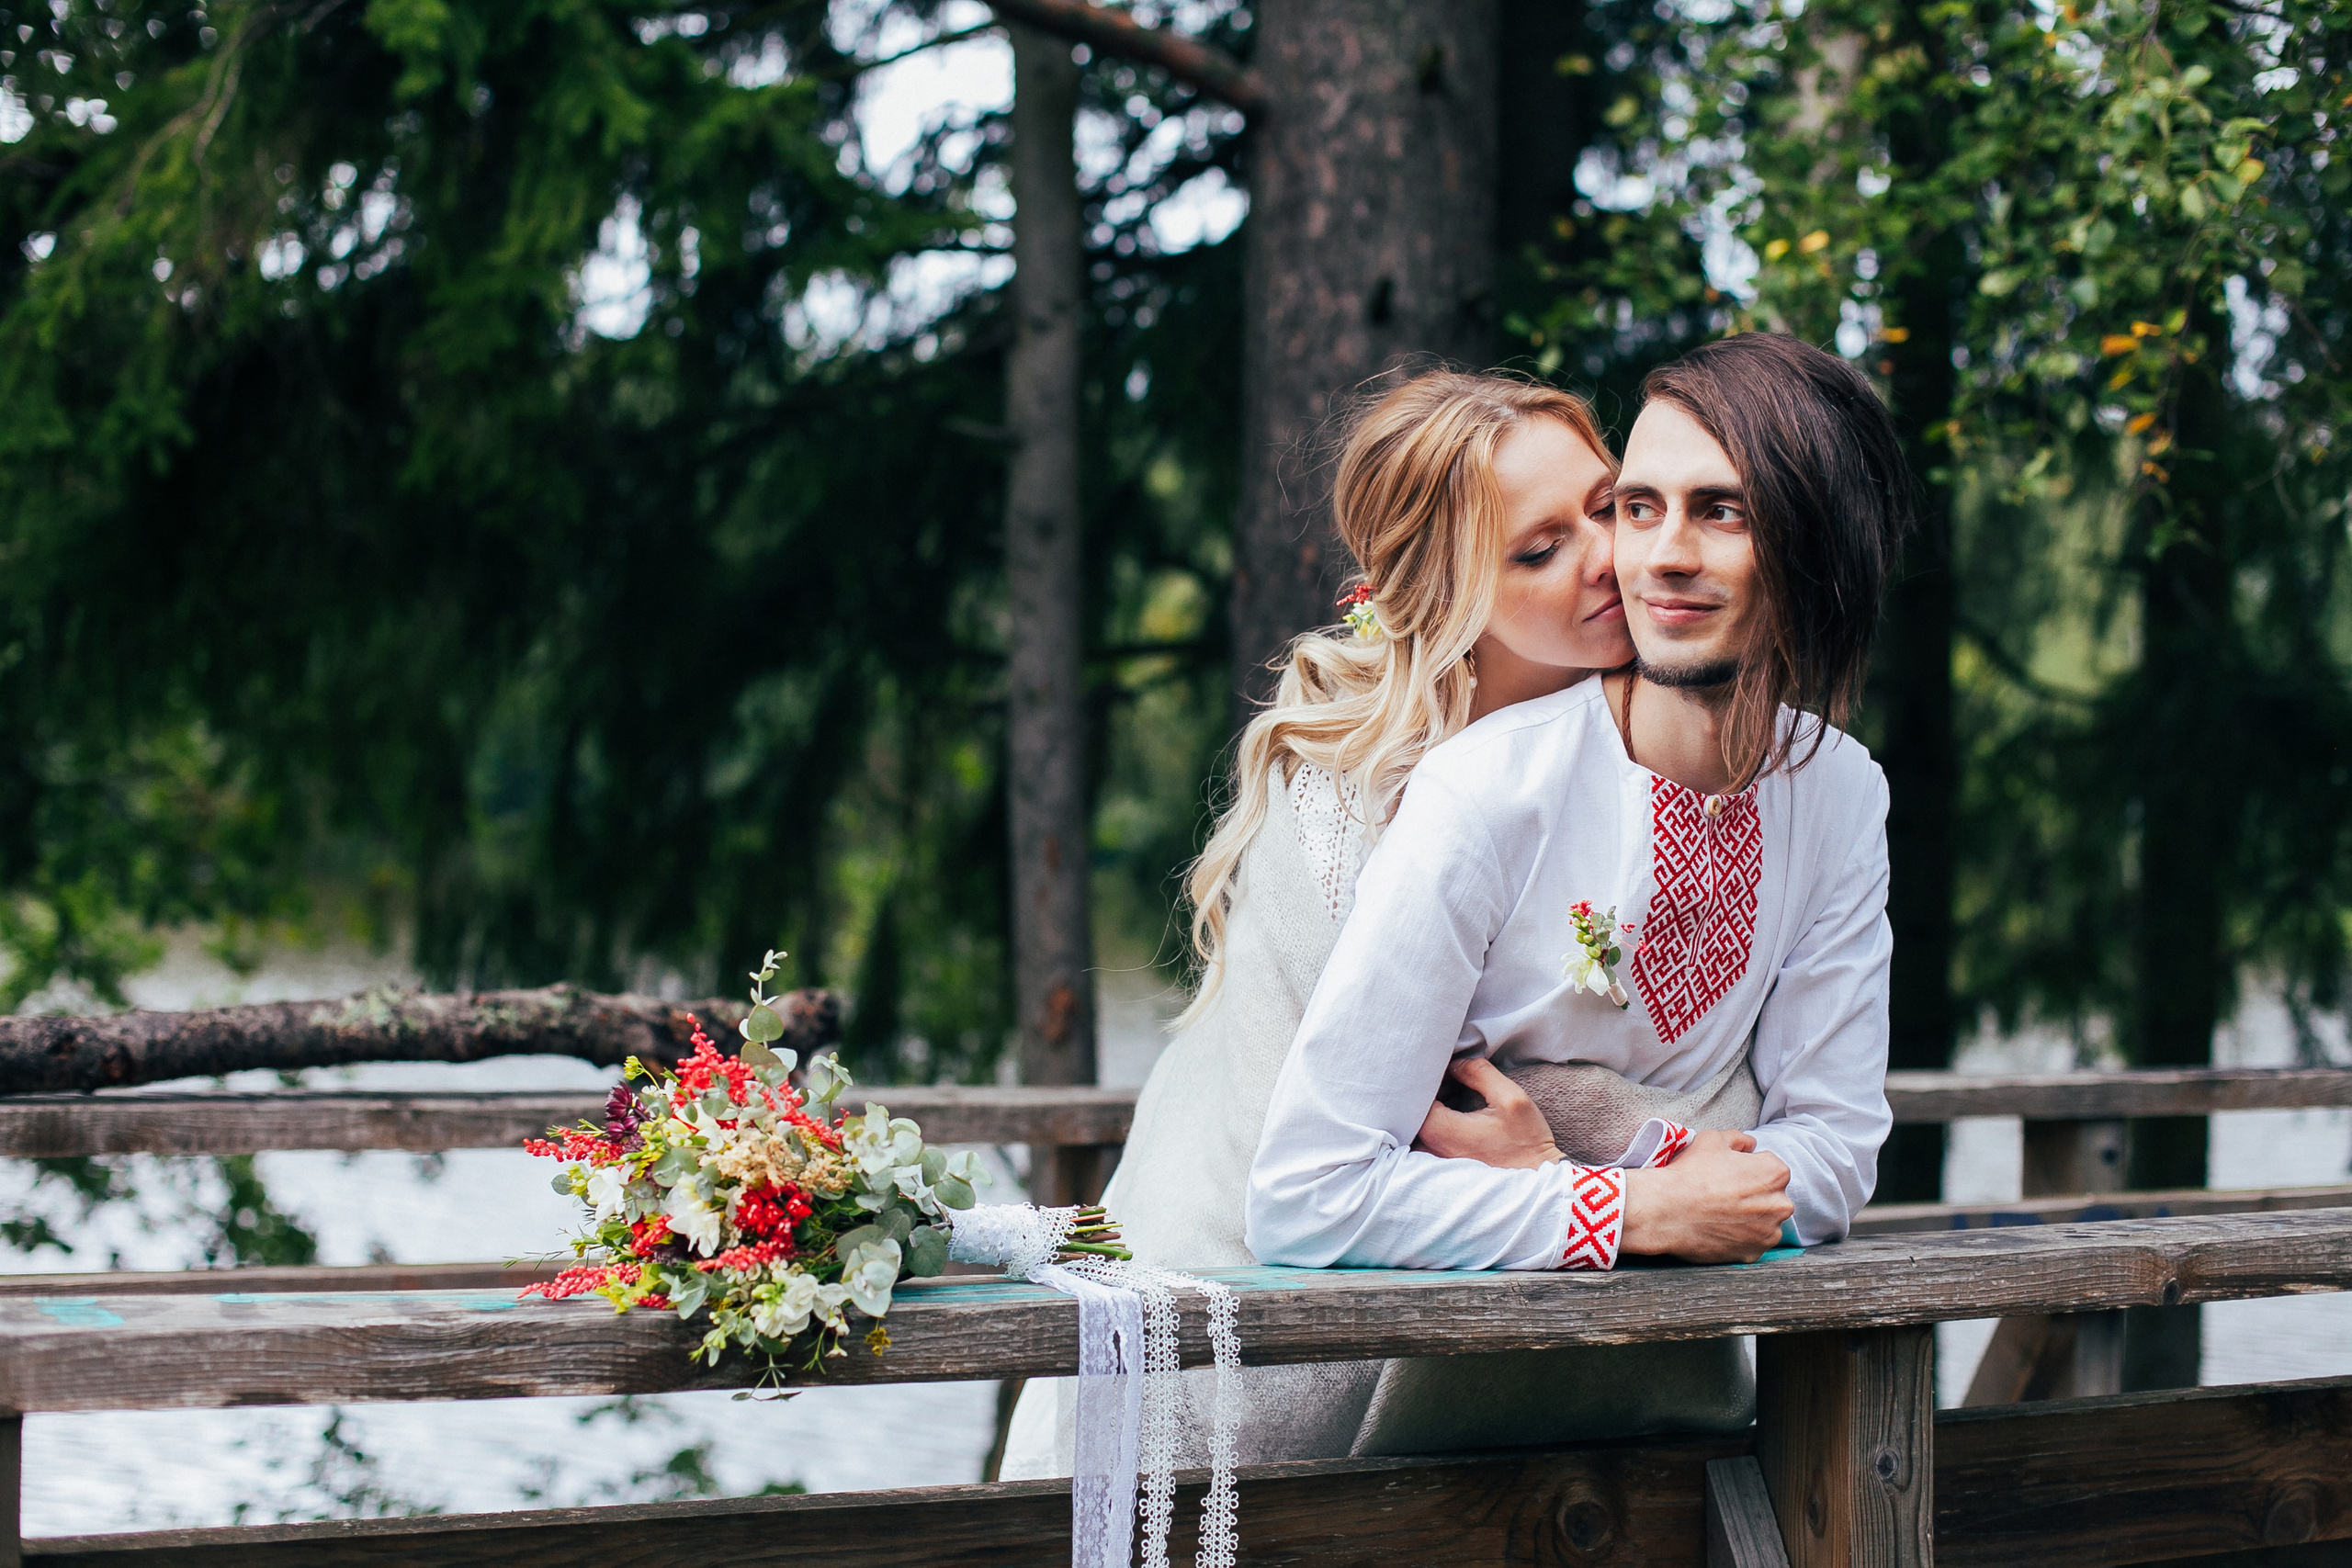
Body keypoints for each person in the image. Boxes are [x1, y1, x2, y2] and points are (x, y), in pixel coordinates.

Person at [1246, 333, 1912, 1455]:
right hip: (1393, 1416)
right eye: (1638, 507)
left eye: (1723, 512)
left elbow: (1838, 1149)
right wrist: (1629, 1203)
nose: (1655, 557)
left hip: (1668, 1405)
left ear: (1817, 546)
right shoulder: (1483, 790)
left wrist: (1620, 1165)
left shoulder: (1840, 794)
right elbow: (1305, 1194)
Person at [997, 369, 1636, 1478]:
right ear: (1439, 597)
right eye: (1538, 550)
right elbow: (1444, 1121)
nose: (1607, 555)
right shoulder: (1352, 800)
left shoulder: (1652, 749)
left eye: (1609, 505)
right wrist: (1611, 1171)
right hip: (1266, 1318)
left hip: (1527, 1294)